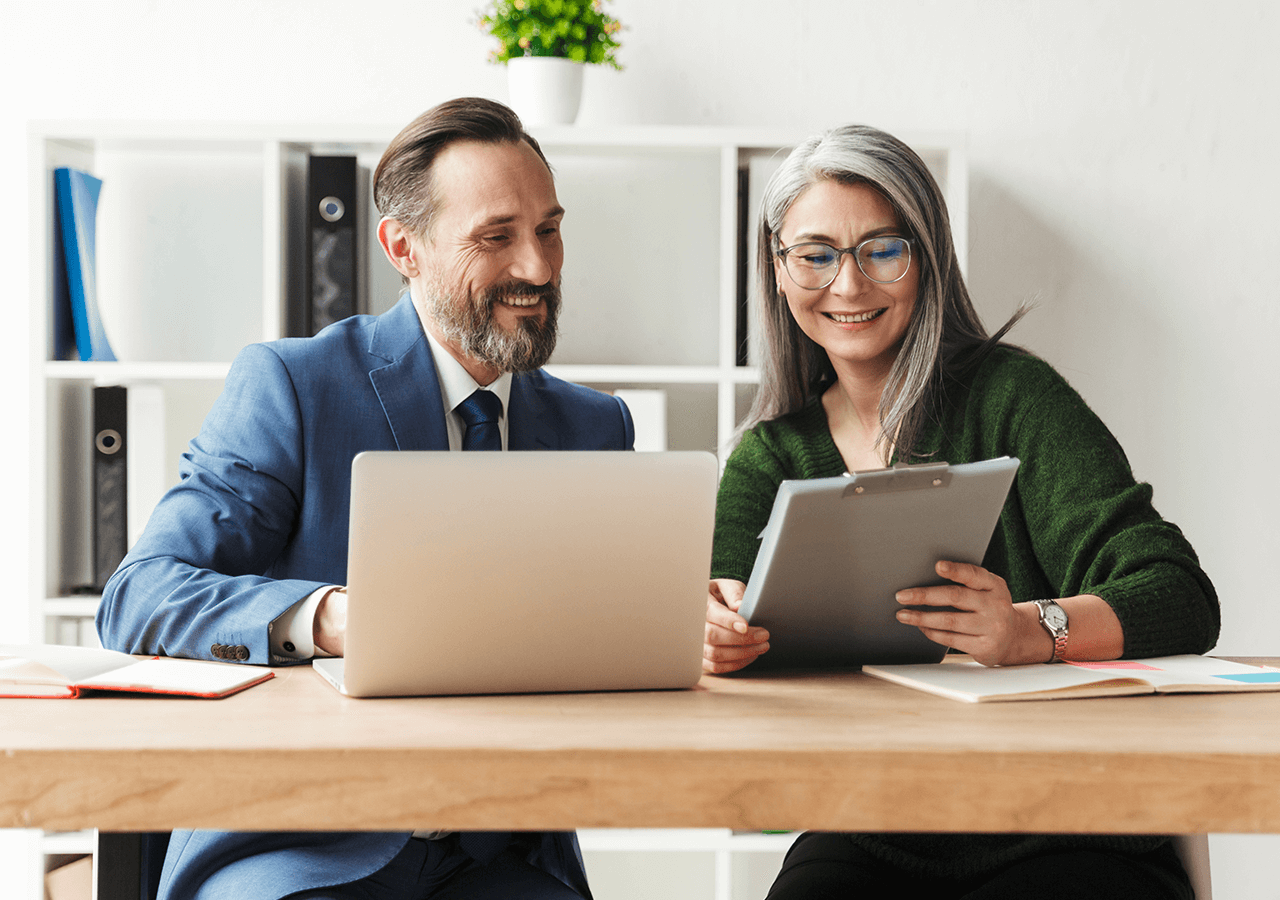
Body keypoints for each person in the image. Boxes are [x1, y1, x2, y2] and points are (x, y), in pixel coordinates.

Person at [96, 97, 633, 900]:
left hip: (500, 855)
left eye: (549, 229)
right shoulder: (296, 385)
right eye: (497, 237)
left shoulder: (595, 426)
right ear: (402, 248)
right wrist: (333, 618)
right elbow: (140, 594)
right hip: (299, 841)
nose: (539, 267)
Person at [703, 124, 1218, 900]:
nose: (848, 286)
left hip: (1070, 820)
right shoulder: (768, 457)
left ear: (929, 258)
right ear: (777, 270)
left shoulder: (1014, 399)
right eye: (815, 254)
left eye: (883, 249)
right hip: (871, 823)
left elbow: (1180, 596)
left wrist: (1028, 630)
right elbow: (713, 620)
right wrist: (709, 635)